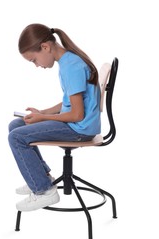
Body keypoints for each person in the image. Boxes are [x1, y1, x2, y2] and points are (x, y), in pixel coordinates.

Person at [8, 23, 101, 211]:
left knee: (16, 137)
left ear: (45, 47)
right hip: (78, 124)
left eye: (34, 60)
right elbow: (69, 102)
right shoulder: (67, 61)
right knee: (16, 125)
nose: (36, 65)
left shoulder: (71, 67)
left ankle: (44, 191)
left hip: (79, 129)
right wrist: (42, 113)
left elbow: (76, 114)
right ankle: (41, 177)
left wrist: (43, 119)